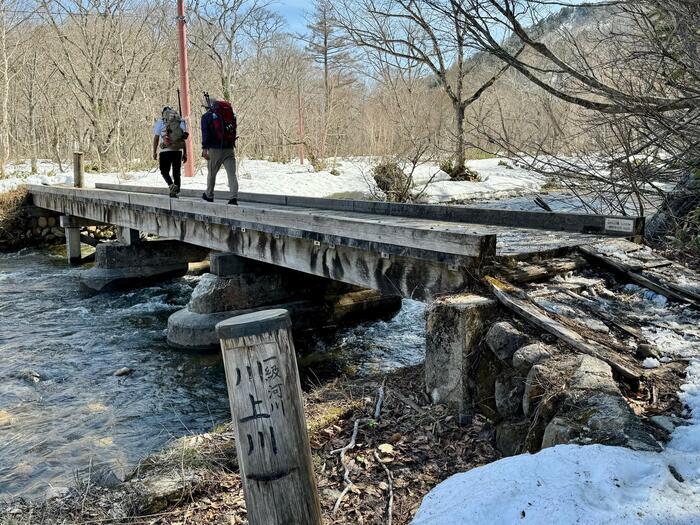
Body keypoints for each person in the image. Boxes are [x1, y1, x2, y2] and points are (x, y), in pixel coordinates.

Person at [200, 94, 238, 205]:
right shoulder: (229, 114)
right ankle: (233, 197)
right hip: (229, 148)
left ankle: (209, 195)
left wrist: (204, 148)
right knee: (232, 174)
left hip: (215, 149)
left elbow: (205, 134)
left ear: (206, 106)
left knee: (212, 173)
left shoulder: (206, 117)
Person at [153, 106, 188, 198]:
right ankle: (175, 191)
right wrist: (185, 153)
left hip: (165, 150)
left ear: (163, 113)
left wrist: (154, 152)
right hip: (177, 150)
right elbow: (183, 138)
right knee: (176, 172)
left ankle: (171, 185)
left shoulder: (160, 121)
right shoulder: (179, 121)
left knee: (164, 171)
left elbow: (156, 138)